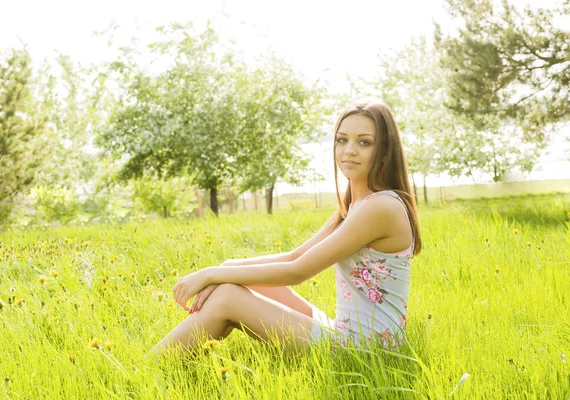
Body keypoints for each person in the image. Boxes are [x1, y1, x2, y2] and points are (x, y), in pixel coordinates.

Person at [147, 100, 422, 358]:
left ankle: (148, 371)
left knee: (227, 296)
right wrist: (227, 268)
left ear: (384, 151)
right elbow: (294, 256)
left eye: (364, 142)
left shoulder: (381, 207)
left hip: (366, 351)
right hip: (348, 332)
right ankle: (177, 364)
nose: (349, 150)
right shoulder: (358, 204)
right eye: (342, 140)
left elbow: (297, 272)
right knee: (233, 281)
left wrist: (210, 274)